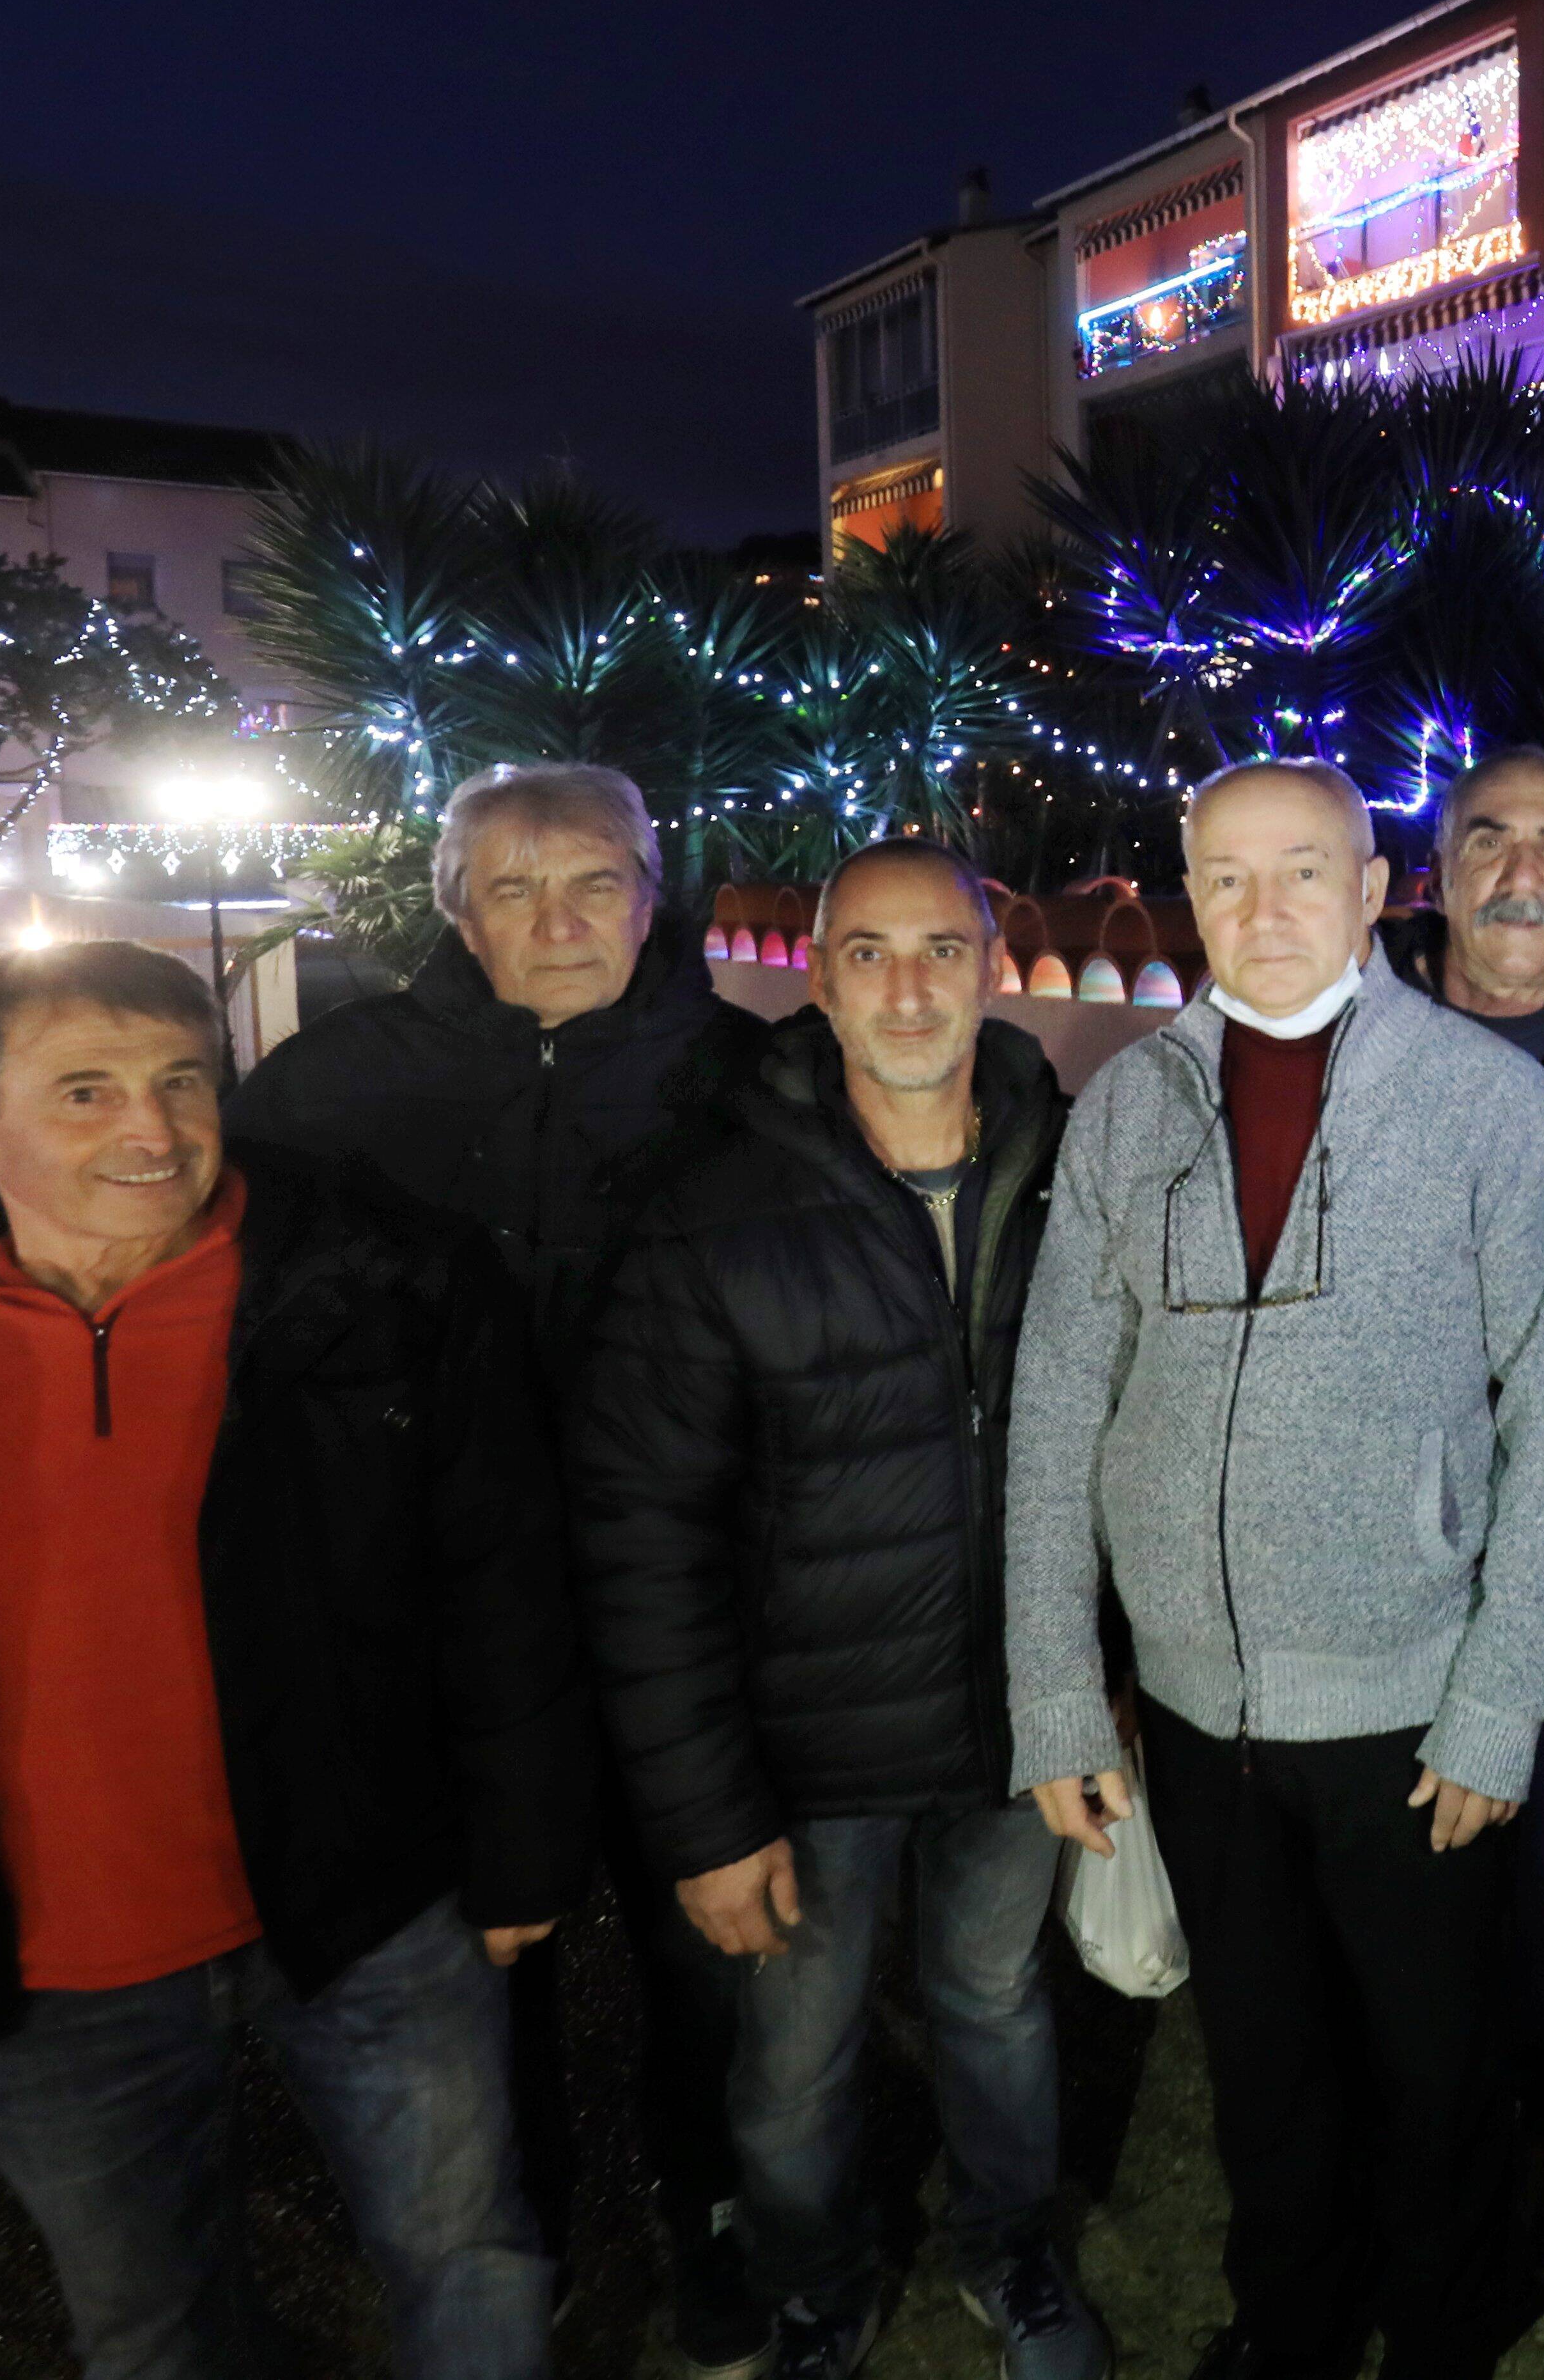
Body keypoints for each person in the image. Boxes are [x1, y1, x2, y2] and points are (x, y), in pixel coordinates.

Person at [0, 759, 776, 2372]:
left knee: (695, 1938)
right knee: (480, 1953)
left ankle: (703, 2209)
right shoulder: (342, 1075)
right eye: (512, 887)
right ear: (455, 908)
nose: (557, 917)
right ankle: (527, 2219)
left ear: (654, 893)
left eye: (595, 880)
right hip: (420, 1596)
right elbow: (142, 1171)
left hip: (681, 1581)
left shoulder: (742, 1075)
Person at [0, 940, 591, 2380]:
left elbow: (500, 1581)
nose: (151, 1128)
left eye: (183, 1080)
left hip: (364, 1901)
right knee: (151, 2332)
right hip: (53, 1957)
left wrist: (524, 1849)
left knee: (466, 2257)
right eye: (87, 1091)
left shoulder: (372, 1291)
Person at [1009, 758, 1544, 2380]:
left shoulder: (1488, 1104)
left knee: (1433, 2073)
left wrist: (1497, 1710)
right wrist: (1058, 1690)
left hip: (1409, 1710)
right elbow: (1061, 1400)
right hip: (1202, 1713)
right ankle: (1286, 2324)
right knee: (1262, 2073)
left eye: (1302, 872)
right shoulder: (1134, 1103)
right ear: (1186, 896)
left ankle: (1442, 2332)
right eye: (1225, 876)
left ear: (1370, 891)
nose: (1263, 909)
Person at [573, 839, 1102, 2380]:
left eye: (941, 948)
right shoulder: (715, 1204)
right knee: (794, 2060)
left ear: (994, 962)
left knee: (998, 2006)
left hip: (1015, 1713)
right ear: (818, 973)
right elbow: (643, 1530)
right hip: (803, 1741)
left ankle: (1012, 2255)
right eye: (867, 953)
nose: (909, 986)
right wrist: (700, 1814)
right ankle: (818, 2285)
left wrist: (1099, 1677)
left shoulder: (1073, 1169)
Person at [1375, 746, 1544, 2294]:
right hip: (1364, 1521)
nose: (1522, 870)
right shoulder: (1357, 1023)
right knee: (1388, 1860)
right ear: (1436, 868)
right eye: (1488, 838)